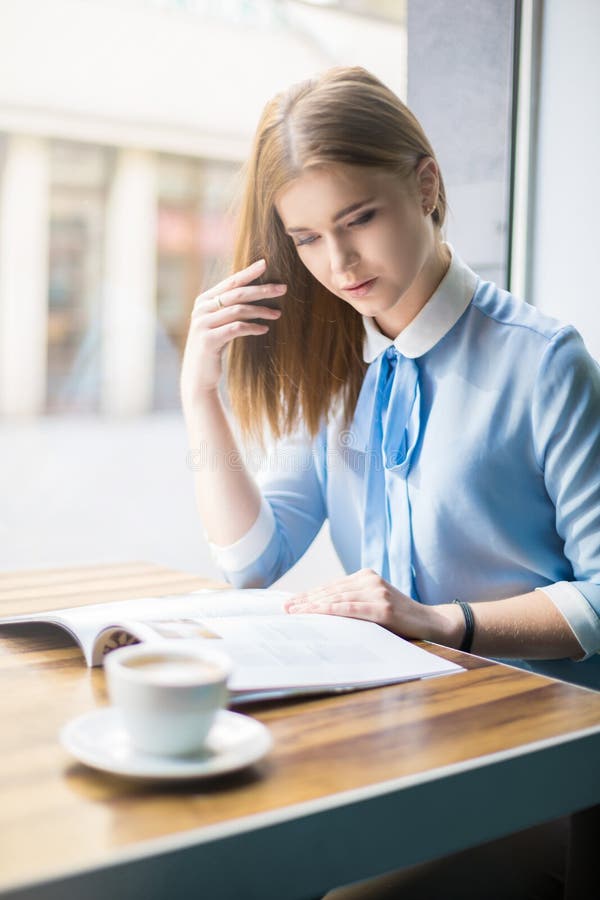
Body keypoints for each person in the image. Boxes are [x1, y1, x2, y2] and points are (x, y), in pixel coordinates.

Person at [180, 66, 600, 898]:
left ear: (427, 184)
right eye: (304, 238)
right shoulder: (335, 362)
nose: (336, 262)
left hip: (536, 741)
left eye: (358, 219)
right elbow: (251, 559)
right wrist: (199, 388)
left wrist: (442, 620)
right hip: (394, 724)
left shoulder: (544, 362)